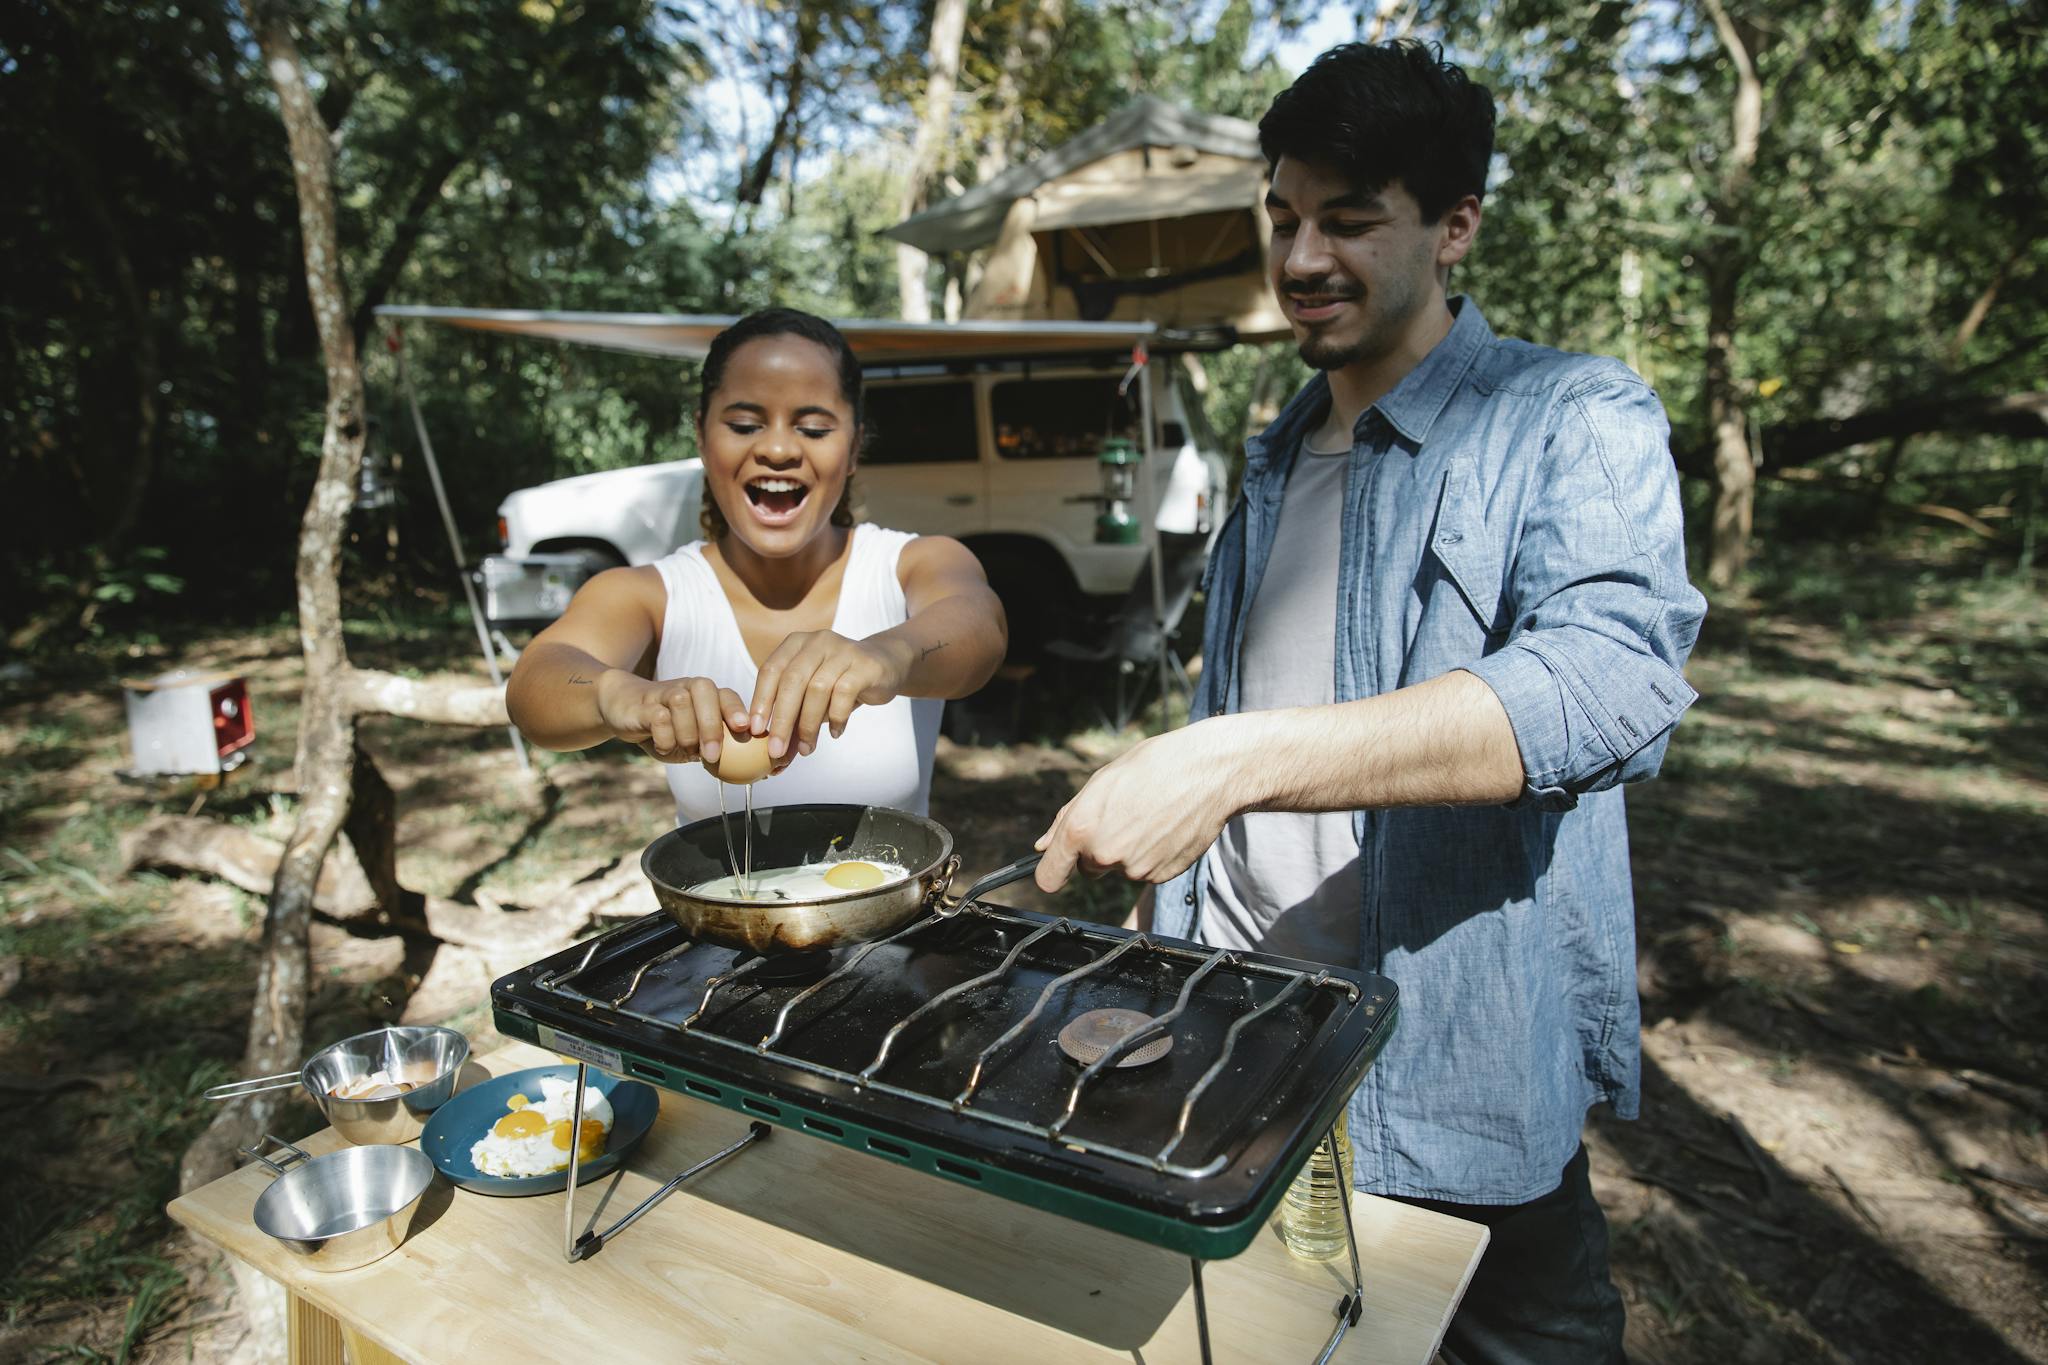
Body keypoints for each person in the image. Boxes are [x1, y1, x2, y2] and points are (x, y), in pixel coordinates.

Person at [1032, 41, 1707, 1364]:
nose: (1300, 259)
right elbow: (1254, 706)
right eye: (1283, 216)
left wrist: (1237, 759)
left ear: (1455, 226)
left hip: (1447, 1066)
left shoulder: (1572, 414)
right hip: (1239, 1039)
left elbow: (1616, 676)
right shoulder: (1276, 454)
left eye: (1350, 220)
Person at [507, 308, 1006, 823]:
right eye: (745, 425)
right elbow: (534, 686)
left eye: (813, 428)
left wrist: (891, 654)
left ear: (854, 447)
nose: (777, 449)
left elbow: (979, 625)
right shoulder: (651, 594)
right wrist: (615, 694)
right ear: (701, 436)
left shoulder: (910, 564)